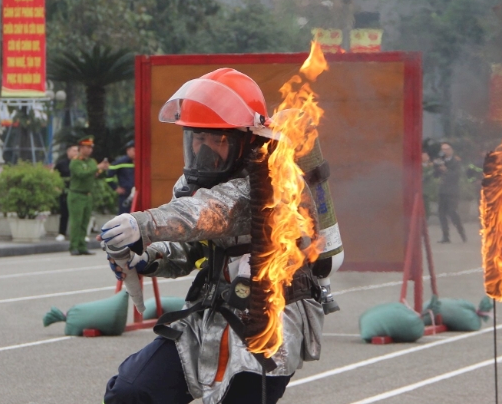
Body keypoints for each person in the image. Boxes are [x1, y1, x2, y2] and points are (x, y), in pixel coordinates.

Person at [99, 68, 324, 404]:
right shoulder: (192, 184)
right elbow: (187, 247)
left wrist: (142, 225)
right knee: (133, 392)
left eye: (217, 139)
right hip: (209, 311)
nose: (204, 149)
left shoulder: (271, 182)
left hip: (268, 320)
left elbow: (210, 213)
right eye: (197, 137)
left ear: (246, 139)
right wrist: (146, 257)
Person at [69, 136, 108, 255]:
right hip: (77, 195)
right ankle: (74, 246)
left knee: (85, 222)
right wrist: (97, 168)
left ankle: (82, 246)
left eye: (91, 147)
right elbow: (81, 174)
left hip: (87, 195)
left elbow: (95, 175)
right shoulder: (75, 162)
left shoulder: (91, 161)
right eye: (87, 147)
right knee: (76, 222)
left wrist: (103, 169)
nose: (90, 150)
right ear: (81, 148)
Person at [434, 142, 466, 243]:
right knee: (441, 214)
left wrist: (446, 170)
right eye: (442, 149)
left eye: (446, 149)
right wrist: (437, 167)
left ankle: (461, 232)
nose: (444, 151)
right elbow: (435, 175)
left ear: (451, 150)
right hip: (442, 191)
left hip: (452, 191)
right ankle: (445, 236)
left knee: (452, 212)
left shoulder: (456, 161)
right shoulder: (440, 161)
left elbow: (456, 175)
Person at [54, 145, 78, 242]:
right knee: (64, 213)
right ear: (68, 152)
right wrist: (56, 186)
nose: (75, 152)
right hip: (65, 192)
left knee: (77, 214)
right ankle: (62, 233)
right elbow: (54, 174)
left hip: (77, 191)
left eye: (77, 150)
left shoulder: (80, 164)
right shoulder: (61, 164)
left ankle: (77, 234)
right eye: (73, 150)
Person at [107, 140, 136, 214]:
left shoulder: (142, 161)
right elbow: (108, 176)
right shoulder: (120, 162)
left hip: (138, 195)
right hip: (125, 195)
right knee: (124, 217)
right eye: (134, 150)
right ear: (128, 150)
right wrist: (115, 188)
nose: (136, 153)